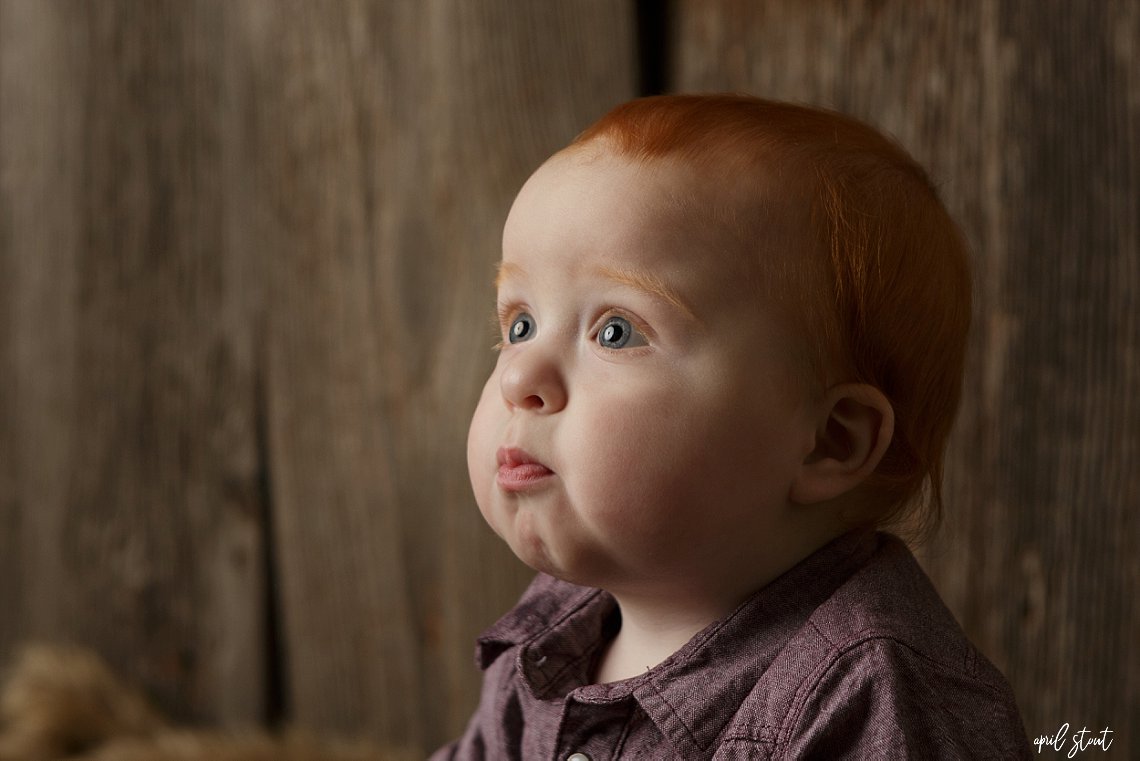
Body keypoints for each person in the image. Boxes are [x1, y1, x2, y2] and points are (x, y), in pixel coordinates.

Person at [435, 94, 1031, 759]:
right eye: (518, 324)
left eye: (616, 330)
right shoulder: (559, 626)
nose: (519, 380)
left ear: (830, 439)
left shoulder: (873, 700)